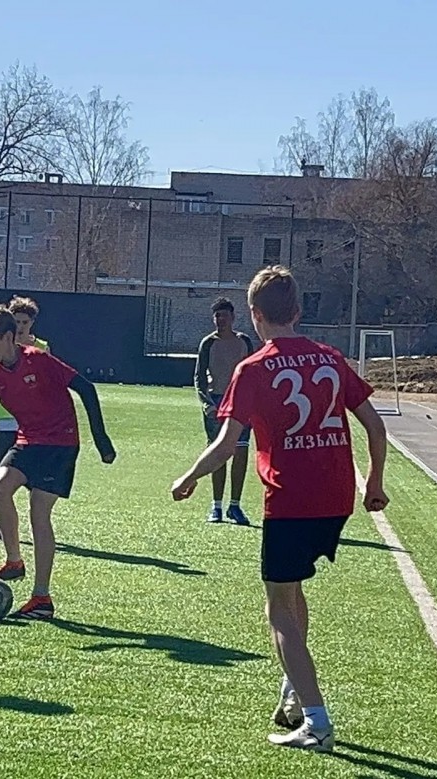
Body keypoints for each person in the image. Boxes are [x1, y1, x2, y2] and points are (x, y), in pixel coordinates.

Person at [170, 266, 389, 752]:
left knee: (278, 611)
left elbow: (227, 444)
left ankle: (316, 721)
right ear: (298, 311)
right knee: (293, 591)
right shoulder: (330, 357)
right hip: (336, 497)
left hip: (290, 499)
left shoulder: (252, 369)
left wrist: (189, 477)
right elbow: (375, 427)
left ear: (254, 314)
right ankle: (294, 687)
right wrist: (374, 482)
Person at [0, 303, 116, 620]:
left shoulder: (38, 360)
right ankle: (14, 561)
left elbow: (86, 388)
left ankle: (41, 598)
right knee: (0, 487)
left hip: (60, 444)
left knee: (39, 513)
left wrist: (101, 440)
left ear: (9, 337)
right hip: (28, 440)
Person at [0, 295, 50, 540]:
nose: (20, 327)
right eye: (16, 321)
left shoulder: (41, 349)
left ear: (32, 323)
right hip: (4, 423)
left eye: (24, 322)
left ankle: (38, 526)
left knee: (34, 480)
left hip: (31, 426)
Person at [194, 297, 255, 525]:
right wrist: (207, 404)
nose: (221, 320)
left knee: (240, 451)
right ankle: (216, 506)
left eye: (224, 315)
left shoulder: (244, 341)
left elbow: (253, 374)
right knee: (217, 452)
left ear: (233, 318)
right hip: (217, 401)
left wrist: (254, 403)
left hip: (240, 402)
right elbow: (199, 377)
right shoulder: (208, 343)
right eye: (217, 316)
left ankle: (235, 506)